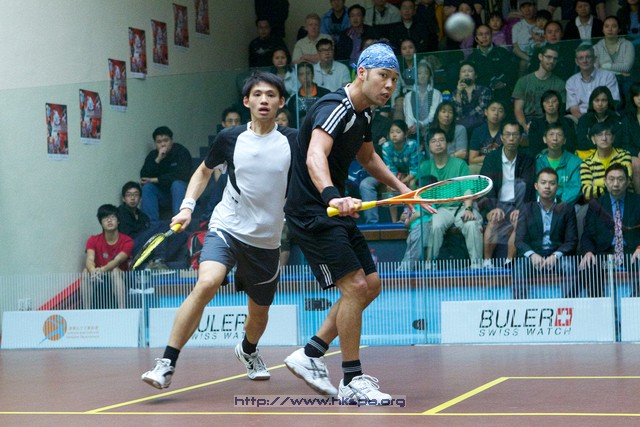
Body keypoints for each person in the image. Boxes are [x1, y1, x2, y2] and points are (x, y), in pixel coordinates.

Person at [283, 43, 430, 402]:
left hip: (335, 209)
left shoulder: (363, 114)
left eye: (394, 79)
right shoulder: (336, 107)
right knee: (355, 287)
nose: (389, 85)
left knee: (371, 285)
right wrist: (332, 195)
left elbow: (367, 157)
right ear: (362, 73)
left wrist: (403, 190)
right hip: (314, 211)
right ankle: (351, 381)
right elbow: (314, 154)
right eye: (383, 76)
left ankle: (310, 353)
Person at [141, 71, 297, 389]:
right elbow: (203, 171)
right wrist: (187, 207)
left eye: (271, 95)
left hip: (266, 240)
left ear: (281, 102)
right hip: (227, 227)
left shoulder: (294, 140)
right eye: (257, 94)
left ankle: (248, 350)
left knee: (259, 313)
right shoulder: (230, 138)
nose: (264, 100)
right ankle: (167, 362)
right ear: (246, 101)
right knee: (207, 283)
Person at [418, 128, 484, 268]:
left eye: (441, 140)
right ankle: (429, 265)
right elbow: (420, 193)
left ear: (447, 143)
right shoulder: (425, 167)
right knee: (435, 226)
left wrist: (468, 209)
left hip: (462, 206)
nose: (438, 144)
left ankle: (477, 266)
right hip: (441, 209)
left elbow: (468, 189)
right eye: (434, 141)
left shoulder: (459, 164)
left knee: (471, 224)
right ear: (428, 146)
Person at [512, 168, 579, 299]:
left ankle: (569, 306)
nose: (547, 187)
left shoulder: (567, 209)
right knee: (519, 266)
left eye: (552, 183)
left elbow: (572, 240)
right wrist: (532, 255)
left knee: (569, 266)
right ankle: (521, 306)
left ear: (557, 187)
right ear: (536, 186)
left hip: (558, 257)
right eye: (543, 183)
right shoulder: (526, 209)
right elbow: (519, 241)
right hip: (533, 257)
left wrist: (555, 256)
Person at [479, 120, 536, 267]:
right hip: (497, 204)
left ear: (520, 138)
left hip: (519, 205)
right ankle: (487, 262)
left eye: (515, 135)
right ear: (502, 138)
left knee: (519, 221)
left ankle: (509, 262)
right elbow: (486, 185)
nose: (511, 139)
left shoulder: (528, 159)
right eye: (508, 135)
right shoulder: (491, 158)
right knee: (493, 220)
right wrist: (493, 208)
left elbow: (529, 187)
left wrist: (521, 209)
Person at [579, 163, 640, 297]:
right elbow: (587, 234)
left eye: (620, 179)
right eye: (611, 179)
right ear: (605, 182)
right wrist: (588, 251)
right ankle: (599, 303)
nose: (616, 184)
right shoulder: (596, 205)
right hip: (605, 256)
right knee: (588, 267)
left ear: (628, 181)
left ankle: (635, 302)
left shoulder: (638, 202)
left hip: (631, 255)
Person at [359, 119, 419, 224]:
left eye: (398, 132)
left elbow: (414, 169)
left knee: (413, 183)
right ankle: (393, 221)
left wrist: (401, 183)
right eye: (392, 132)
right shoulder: (386, 146)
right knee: (389, 187)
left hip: (411, 175)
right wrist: (395, 182)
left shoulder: (412, 145)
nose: (394, 135)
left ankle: (408, 214)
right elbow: (390, 168)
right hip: (394, 175)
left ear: (405, 134)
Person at [117, 181, 186, 270]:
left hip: (146, 247)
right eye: (129, 195)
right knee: (163, 226)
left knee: (181, 234)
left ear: (140, 198)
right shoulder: (120, 212)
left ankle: (157, 261)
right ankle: (158, 260)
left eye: (136, 195)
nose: (132, 198)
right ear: (123, 199)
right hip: (130, 246)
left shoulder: (143, 216)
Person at [82, 204, 133, 309]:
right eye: (105, 218)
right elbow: (89, 259)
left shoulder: (127, 241)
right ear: (101, 223)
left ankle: (122, 310)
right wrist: (92, 270)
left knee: (114, 270)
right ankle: (86, 310)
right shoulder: (93, 240)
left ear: (118, 221)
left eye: (112, 217)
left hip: (121, 276)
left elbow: (117, 261)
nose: (109, 220)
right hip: (98, 276)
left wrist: (102, 269)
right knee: (85, 271)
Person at [139, 126, 193, 223]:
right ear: (155, 144)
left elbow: (182, 175)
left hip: (182, 193)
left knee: (177, 184)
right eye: (159, 142)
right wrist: (158, 159)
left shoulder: (181, 152)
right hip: (163, 195)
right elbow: (144, 177)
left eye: (166, 140)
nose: (163, 144)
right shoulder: (153, 155)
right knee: (147, 188)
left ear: (171, 141)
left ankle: (179, 222)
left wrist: (156, 180)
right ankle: (151, 225)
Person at [512, 44, 566, 133]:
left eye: (555, 59)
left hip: (549, 122)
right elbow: (518, 109)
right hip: (527, 120)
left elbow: (560, 110)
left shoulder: (560, 84)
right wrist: (525, 127)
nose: (552, 61)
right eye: (548, 57)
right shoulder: (523, 81)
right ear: (540, 57)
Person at [580, 121, 633, 203]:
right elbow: (587, 192)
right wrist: (612, 185)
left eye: (608, 134)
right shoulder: (586, 163)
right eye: (600, 135)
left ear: (613, 138)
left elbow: (626, 181)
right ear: (593, 139)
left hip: (625, 200)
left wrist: (597, 184)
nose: (604, 138)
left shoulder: (624, 155)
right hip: (600, 203)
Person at [467, 24, 518, 108]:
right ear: (476, 38)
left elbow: (512, 72)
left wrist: (504, 83)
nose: (484, 37)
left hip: (502, 93)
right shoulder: (471, 58)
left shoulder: (502, 53)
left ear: (491, 36)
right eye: (480, 34)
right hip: (480, 95)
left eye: (487, 34)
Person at [565, 43, 619, 121]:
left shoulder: (608, 76)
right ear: (576, 61)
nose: (585, 61)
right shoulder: (571, 82)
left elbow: (612, 103)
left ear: (594, 59)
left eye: (588, 57)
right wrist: (586, 123)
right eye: (581, 58)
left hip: (605, 117)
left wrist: (599, 120)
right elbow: (574, 109)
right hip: (581, 119)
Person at [575, 86, 630, 158]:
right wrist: (607, 142)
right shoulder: (584, 119)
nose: (600, 104)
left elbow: (618, 142)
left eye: (604, 100)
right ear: (592, 102)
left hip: (613, 155)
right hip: (589, 156)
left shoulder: (617, 119)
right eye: (596, 100)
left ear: (609, 102)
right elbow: (581, 143)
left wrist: (593, 140)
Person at [535, 123, 582, 206]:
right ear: (544, 139)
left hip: (567, 206)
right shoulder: (538, 163)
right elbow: (537, 189)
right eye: (551, 134)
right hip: (543, 205)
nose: (555, 139)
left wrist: (557, 203)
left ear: (564, 140)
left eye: (559, 135)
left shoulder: (575, 162)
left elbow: (575, 188)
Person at [593, 15, 636, 109]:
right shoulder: (596, 47)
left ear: (619, 29)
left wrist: (605, 66)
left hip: (624, 80)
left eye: (614, 26)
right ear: (602, 30)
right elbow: (596, 69)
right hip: (605, 79)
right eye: (606, 26)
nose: (610, 29)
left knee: (627, 89)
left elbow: (627, 67)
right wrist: (619, 70)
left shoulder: (628, 45)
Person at [527, 89, 577, 157]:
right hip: (542, 159)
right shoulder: (536, 124)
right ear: (542, 104)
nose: (550, 104)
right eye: (547, 102)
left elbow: (571, 145)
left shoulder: (568, 122)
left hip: (565, 158)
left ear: (559, 103)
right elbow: (534, 148)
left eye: (554, 101)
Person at [451, 60, 492, 139]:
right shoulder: (455, 93)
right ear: (459, 76)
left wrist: (464, 118)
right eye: (463, 72)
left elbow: (482, 112)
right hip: (461, 129)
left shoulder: (484, 90)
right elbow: (457, 113)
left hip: (480, 127)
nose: (466, 74)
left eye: (470, 71)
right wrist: (459, 94)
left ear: (475, 75)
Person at [403, 59, 442, 140]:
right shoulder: (408, 96)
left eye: (426, 73)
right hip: (413, 131)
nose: (422, 76)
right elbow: (409, 116)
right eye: (419, 73)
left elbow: (433, 115)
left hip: (432, 129)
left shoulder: (436, 94)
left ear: (430, 76)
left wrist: (421, 124)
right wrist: (413, 127)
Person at [286, 62, 331, 128]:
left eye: (308, 73)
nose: (305, 77)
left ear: (313, 75)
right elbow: (292, 123)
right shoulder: (293, 100)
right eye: (301, 74)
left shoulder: (325, 94)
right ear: (298, 77)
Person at [469, 99, 506, 174]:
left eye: (500, 111)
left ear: (504, 115)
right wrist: (492, 158)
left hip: (503, 165)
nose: (496, 113)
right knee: (471, 168)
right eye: (493, 110)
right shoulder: (478, 131)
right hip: (483, 165)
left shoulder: (506, 131)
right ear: (486, 112)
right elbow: (472, 159)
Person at [511, 0, 538, 75]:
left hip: (541, 56)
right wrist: (529, 59)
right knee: (523, 64)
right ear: (520, 10)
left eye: (529, 6)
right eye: (523, 7)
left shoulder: (542, 25)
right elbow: (515, 48)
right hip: (523, 57)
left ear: (535, 7)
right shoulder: (517, 26)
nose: (527, 10)